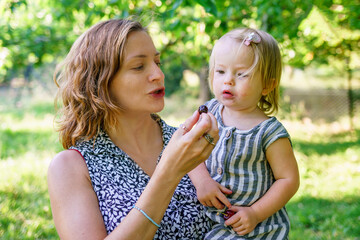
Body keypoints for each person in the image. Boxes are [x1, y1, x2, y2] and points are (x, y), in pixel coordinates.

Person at [47, 18, 220, 239]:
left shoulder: (192, 143)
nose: (158, 74)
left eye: (157, 62)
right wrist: (169, 172)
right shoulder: (70, 167)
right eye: (139, 66)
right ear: (100, 81)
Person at [188, 28, 300, 239]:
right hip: (209, 219)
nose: (228, 80)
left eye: (241, 74)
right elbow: (188, 150)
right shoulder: (208, 112)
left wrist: (256, 213)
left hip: (253, 227)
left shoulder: (269, 132)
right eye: (220, 71)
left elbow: (288, 179)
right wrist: (202, 181)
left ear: (267, 85)